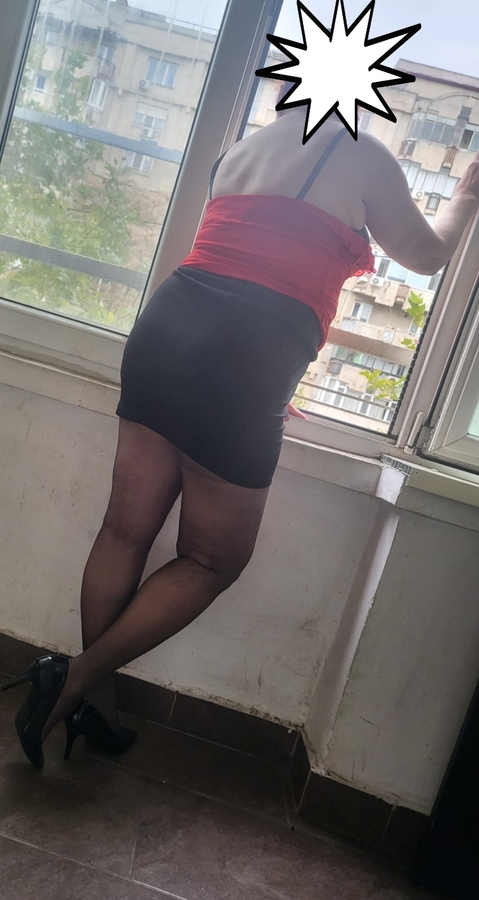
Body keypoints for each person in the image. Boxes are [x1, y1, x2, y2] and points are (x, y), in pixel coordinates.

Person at [3, 85, 479, 769]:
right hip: (243, 359)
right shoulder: (357, 150)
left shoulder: (243, 150)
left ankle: (91, 704)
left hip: (166, 330)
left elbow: (252, 257)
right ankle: (73, 680)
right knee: (211, 560)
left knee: (123, 530)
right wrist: (465, 196)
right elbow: (426, 255)